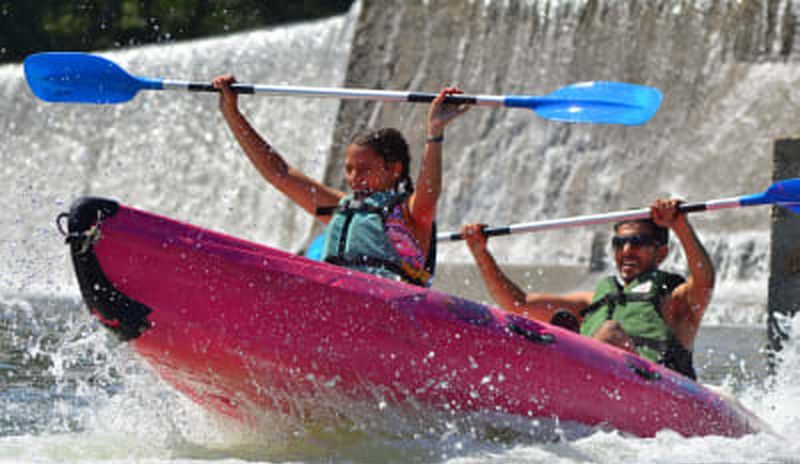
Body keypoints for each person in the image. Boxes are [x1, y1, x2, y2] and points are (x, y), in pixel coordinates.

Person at [212, 75, 469, 286]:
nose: (354, 178)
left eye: (364, 169)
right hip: (335, 302)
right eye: (349, 169)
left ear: (394, 169)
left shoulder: (413, 215)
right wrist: (231, 113)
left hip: (389, 309)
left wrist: (434, 133)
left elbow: (430, 189)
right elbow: (278, 173)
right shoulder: (341, 206)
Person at [461, 199, 715, 379]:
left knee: (609, 332)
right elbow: (518, 303)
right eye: (620, 243)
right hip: (597, 379)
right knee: (544, 329)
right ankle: (563, 353)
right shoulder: (592, 300)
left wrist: (679, 224)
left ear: (661, 252)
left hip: (662, 391)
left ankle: (567, 361)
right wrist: (480, 252)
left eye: (637, 242)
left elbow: (705, 281)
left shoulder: (675, 301)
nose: (626, 250)